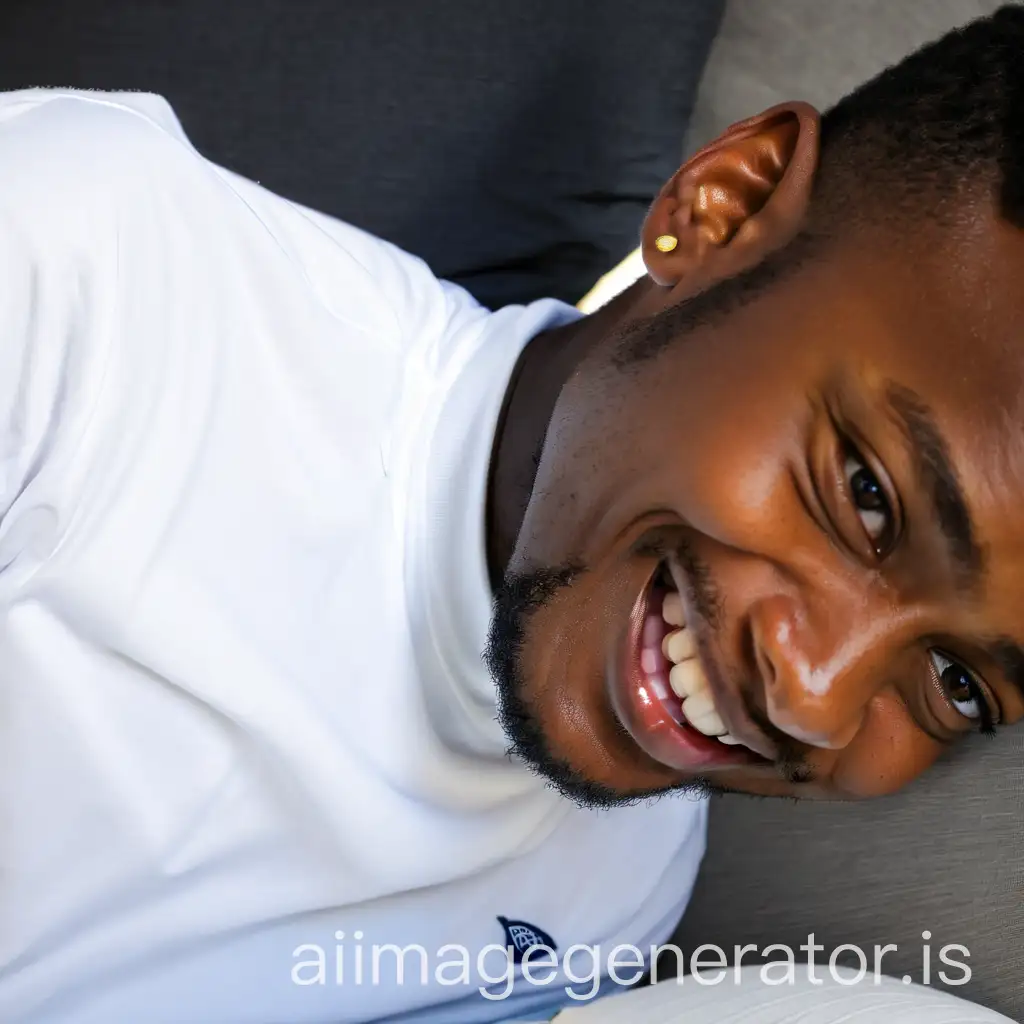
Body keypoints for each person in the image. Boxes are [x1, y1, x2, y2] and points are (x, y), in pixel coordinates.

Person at [2, 6, 1023, 1023]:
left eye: (955, 682)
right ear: (723, 208)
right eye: (866, 496)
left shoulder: (625, 885)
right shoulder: (84, 264)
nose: (814, 699)